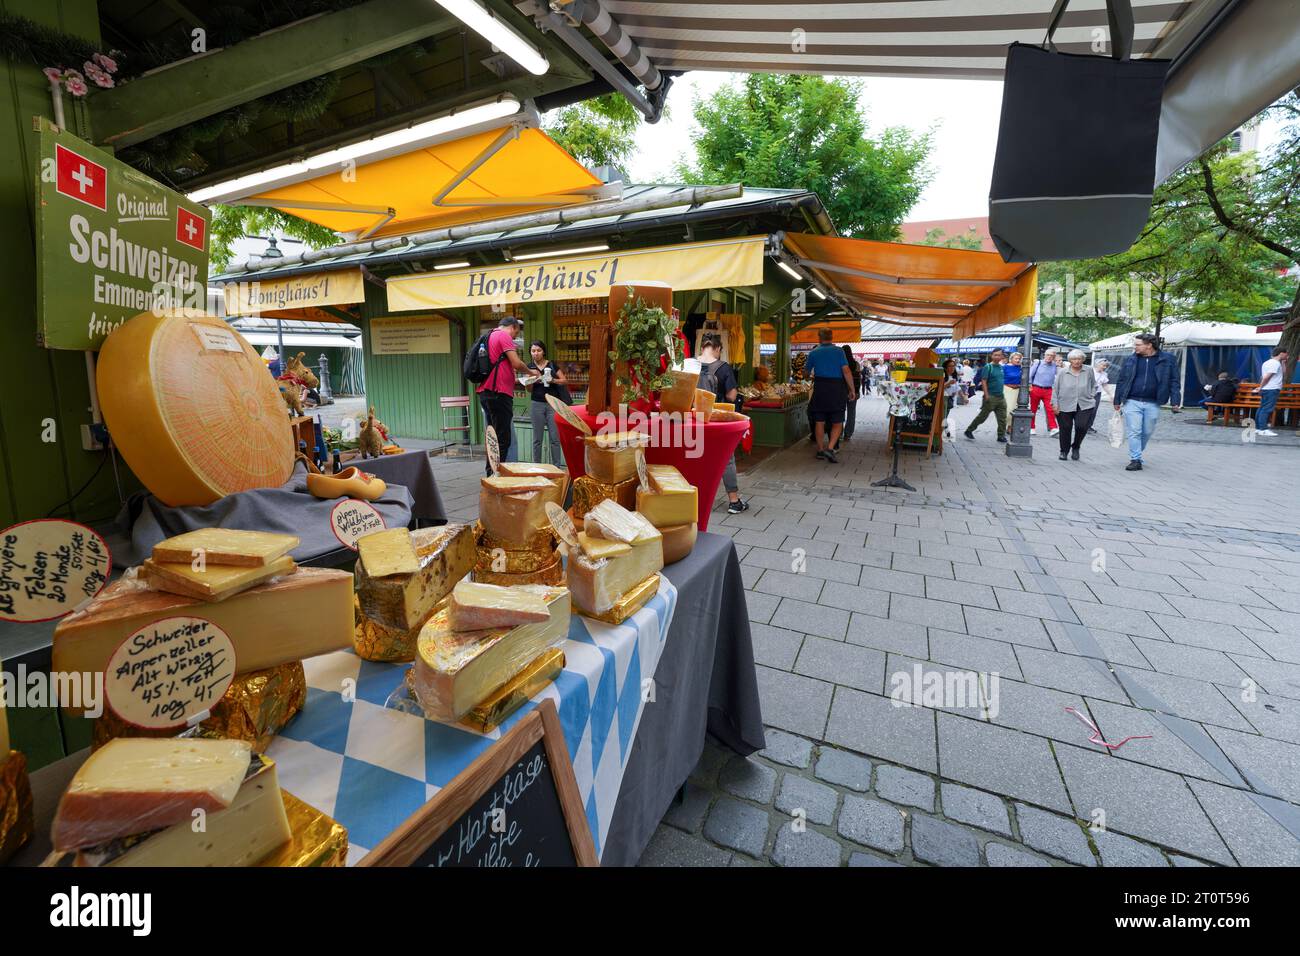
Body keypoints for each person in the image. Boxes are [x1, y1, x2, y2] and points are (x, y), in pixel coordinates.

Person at [1111, 332, 1182, 471]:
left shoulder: (1168, 359)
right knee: (1134, 431)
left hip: (1154, 401)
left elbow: (1174, 381)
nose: (1135, 347)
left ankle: (1136, 451)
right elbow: (1122, 380)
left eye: (1138, 345)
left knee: (1147, 431)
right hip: (1132, 400)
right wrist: (1117, 399)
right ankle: (1135, 459)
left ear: (1149, 345)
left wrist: (1175, 401)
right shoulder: (1130, 359)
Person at [699, 333, 748, 513]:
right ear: (718, 349)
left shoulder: (690, 364)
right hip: (716, 419)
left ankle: (696, 499)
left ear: (702, 348)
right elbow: (731, 396)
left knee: (697, 457)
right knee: (727, 459)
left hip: (693, 418)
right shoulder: (723, 368)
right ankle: (734, 501)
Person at [475, 315, 529, 476]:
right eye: (516, 333)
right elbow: (516, 363)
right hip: (498, 393)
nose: (515, 337)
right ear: (512, 327)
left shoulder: (489, 335)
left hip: (486, 392)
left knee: (492, 436)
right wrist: (531, 371)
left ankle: (491, 472)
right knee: (502, 438)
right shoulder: (503, 335)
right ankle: (499, 475)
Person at [806, 328, 857, 463]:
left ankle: (820, 450)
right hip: (837, 388)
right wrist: (852, 389)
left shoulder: (814, 352)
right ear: (831, 337)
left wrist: (812, 374)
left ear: (819, 338)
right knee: (837, 421)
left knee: (819, 421)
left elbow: (806, 373)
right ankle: (830, 448)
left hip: (820, 388)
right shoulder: (839, 351)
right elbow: (846, 371)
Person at [1051, 350, 1098, 461]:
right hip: (1064, 403)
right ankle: (1064, 451)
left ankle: (1076, 446)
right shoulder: (1063, 372)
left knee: (1081, 426)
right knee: (1065, 428)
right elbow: (1055, 389)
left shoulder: (1089, 370)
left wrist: (1091, 395)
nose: (1076, 361)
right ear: (1070, 360)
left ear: (1083, 359)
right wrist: (1055, 404)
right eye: (1074, 359)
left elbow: (1094, 385)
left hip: (1085, 403)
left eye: (1079, 359)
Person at [526, 341, 567, 466]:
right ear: (531, 353)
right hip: (536, 404)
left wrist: (552, 380)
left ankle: (556, 467)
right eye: (533, 351)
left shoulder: (552, 364)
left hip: (552, 405)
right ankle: (537, 467)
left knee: (554, 438)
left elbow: (564, 380)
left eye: (538, 350)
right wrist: (531, 381)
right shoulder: (529, 367)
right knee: (537, 439)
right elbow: (529, 390)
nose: (536, 353)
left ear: (543, 351)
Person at [963, 348, 1008, 443]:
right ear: (992, 355)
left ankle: (1001, 436)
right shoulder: (988, 367)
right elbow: (983, 381)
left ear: (1002, 356)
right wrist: (986, 395)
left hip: (1001, 397)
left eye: (999, 355)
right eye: (995, 355)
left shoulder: (1001, 367)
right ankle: (969, 430)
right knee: (982, 416)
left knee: (1003, 418)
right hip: (991, 396)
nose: (997, 356)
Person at [1255, 347, 1289, 437]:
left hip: (1268, 389)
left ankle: (1258, 429)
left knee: (1262, 408)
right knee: (1266, 409)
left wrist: (1283, 363)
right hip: (1271, 389)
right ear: (1281, 353)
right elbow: (1267, 377)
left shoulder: (1269, 362)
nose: (1287, 355)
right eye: (1286, 353)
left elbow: (1283, 373)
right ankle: (1263, 429)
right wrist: (1260, 387)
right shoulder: (1275, 364)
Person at [1027, 349, 1060, 436]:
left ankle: (1053, 428)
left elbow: (1059, 376)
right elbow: (1030, 375)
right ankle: (1031, 427)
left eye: (1051, 355)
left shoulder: (1055, 365)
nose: (1049, 357)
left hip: (1049, 390)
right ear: (1044, 355)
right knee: (1033, 409)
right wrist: (1030, 385)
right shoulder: (1038, 363)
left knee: (1050, 409)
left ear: (1054, 357)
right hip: (1036, 388)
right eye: (1047, 355)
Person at [840, 345, 862, 445]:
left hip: (841, 391)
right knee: (851, 413)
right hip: (854, 392)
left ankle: (838, 433)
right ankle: (848, 434)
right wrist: (856, 391)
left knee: (840, 412)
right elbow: (858, 379)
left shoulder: (841, 364)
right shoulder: (856, 364)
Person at [1003, 352, 1023, 432]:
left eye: (1019, 359)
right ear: (1011, 359)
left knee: (1014, 409)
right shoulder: (1005, 367)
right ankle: (1002, 426)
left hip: (1017, 390)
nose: (1018, 360)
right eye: (1016, 358)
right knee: (1007, 409)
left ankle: (1010, 426)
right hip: (1007, 389)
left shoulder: (1021, 368)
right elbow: (1000, 378)